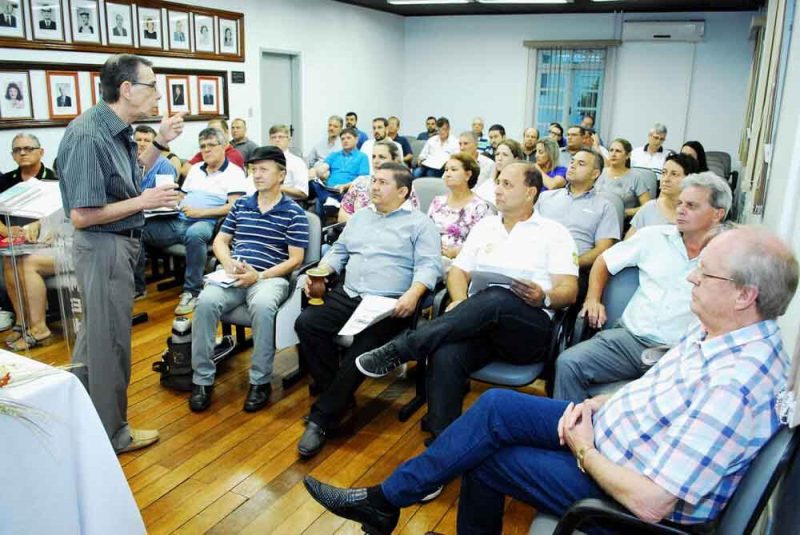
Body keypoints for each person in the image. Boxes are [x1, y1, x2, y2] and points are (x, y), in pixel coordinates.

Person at [304, 226, 798, 535]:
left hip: (623, 493)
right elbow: (654, 390)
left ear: (743, 295)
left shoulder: (736, 382)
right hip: (611, 432)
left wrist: (584, 448)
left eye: (704, 275)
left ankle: (382, 503)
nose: (691, 279)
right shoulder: (719, 333)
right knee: (496, 406)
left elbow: (652, 503)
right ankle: (385, 503)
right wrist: (600, 406)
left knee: (489, 461)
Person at [356, 162, 579, 443]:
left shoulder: (554, 232)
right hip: (477, 325)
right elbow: (459, 271)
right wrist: (461, 299)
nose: (497, 189)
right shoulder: (485, 226)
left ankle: (402, 349)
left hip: (527, 331)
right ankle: (442, 444)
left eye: (507, 184)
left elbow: (569, 291)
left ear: (531, 192)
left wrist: (544, 296)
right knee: (446, 352)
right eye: (498, 182)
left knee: (498, 297)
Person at [57, 54, 183, 454]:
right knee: (110, 344)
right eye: (152, 86)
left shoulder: (118, 130)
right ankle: (113, 434)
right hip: (103, 245)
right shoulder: (88, 135)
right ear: (127, 89)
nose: (158, 94)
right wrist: (145, 200)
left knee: (95, 340)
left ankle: (82, 421)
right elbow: (82, 215)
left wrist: (160, 142)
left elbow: (127, 182)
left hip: (117, 244)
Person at [295, 162, 441, 458]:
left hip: (389, 303)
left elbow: (429, 266)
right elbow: (340, 251)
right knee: (307, 324)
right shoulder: (360, 217)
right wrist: (322, 272)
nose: (374, 187)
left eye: (382, 183)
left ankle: (322, 417)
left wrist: (413, 295)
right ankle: (341, 398)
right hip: (349, 293)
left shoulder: (420, 224)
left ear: (402, 192)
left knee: (361, 348)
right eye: (374, 181)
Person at [554, 172, 732, 402]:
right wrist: (592, 299)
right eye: (680, 203)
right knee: (569, 364)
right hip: (630, 340)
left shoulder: (729, 258)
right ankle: (569, 434)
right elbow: (604, 260)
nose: (680, 209)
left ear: (717, 214)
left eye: (691, 205)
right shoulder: (653, 237)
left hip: (682, 353)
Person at [188, 146, 309, 413]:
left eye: (264, 169)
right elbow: (221, 240)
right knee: (205, 301)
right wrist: (227, 262)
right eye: (254, 169)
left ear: (281, 175)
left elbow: (296, 260)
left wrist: (260, 275)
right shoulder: (242, 204)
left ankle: (260, 381)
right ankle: (202, 380)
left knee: (264, 307)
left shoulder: (294, 213)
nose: (257, 175)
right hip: (235, 274)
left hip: (270, 277)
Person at [144, 128, 249, 316]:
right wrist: (171, 201)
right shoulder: (195, 170)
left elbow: (234, 207)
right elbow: (182, 195)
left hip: (209, 222)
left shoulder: (234, 172)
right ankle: (137, 285)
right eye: (202, 146)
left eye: (211, 145)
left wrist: (200, 212)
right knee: (140, 228)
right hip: (179, 218)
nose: (206, 150)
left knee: (194, 234)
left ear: (224, 147)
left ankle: (192, 291)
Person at [536, 148, 620, 296]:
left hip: (573, 270)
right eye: (572, 161)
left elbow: (603, 250)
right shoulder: (546, 197)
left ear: (595, 173)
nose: (572, 166)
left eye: (581, 163)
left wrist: (570, 263)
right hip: (536, 262)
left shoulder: (605, 207)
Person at [1, 134, 58, 349]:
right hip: (14, 241)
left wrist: (40, 224)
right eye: (17, 150)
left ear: (41, 152)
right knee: (8, 260)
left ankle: (38, 327)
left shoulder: (52, 179)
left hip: (47, 242)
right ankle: (21, 321)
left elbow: (58, 217)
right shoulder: (6, 180)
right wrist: (6, 229)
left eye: (28, 148)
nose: (23, 153)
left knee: (22, 261)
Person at [132, 125, 179, 299]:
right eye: (138, 140)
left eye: (147, 140)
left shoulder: (164, 166)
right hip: (136, 215)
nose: (142, 144)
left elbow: (167, 203)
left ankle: (138, 287)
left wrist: (143, 204)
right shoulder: (128, 163)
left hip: (159, 220)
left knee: (134, 233)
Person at [428, 153, 491, 270]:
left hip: (460, 263)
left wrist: (455, 252)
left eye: (453, 169)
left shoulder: (480, 207)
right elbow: (427, 232)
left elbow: (482, 243)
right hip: (432, 256)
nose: (447, 174)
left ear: (468, 175)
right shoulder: (437, 201)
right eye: (446, 170)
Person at [338, 140, 419, 223]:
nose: (376, 161)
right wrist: (364, 225)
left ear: (395, 160)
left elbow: (412, 220)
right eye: (374, 156)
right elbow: (342, 216)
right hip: (358, 232)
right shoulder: (360, 182)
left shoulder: (404, 186)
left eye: (382, 157)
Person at [625, 153, 699, 239]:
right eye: (664, 173)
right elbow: (627, 245)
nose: (666, 179)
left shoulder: (697, 215)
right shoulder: (649, 208)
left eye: (674, 174)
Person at [311, 127, 369, 215]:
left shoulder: (362, 157)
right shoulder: (334, 155)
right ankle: (322, 225)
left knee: (325, 199)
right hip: (328, 189)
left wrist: (344, 186)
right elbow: (323, 168)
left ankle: (330, 209)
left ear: (356, 139)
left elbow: (362, 180)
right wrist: (314, 171)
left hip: (347, 191)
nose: (345, 141)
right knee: (314, 185)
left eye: (348, 138)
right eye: (342, 139)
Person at [596, 138, 651, 217]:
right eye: (611, 150)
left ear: (628, 155)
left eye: (618, 151)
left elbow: (647, 207)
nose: (613, 154)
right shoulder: (599, 172)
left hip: (621, 220)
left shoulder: (636, 177)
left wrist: (626, 212)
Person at [474, 139, 523, 203]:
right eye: (497, 154)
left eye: (505, 155)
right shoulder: (489, 183)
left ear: (516, 159)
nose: (499, 158)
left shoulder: (521, 186)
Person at [268, 124, 309, 200]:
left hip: (287, 203)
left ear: (289, 140)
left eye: (280, 137)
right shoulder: (264, 160)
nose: (277, 140)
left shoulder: (297, 162)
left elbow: (303, 192)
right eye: (273, 137)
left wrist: (278, 188)